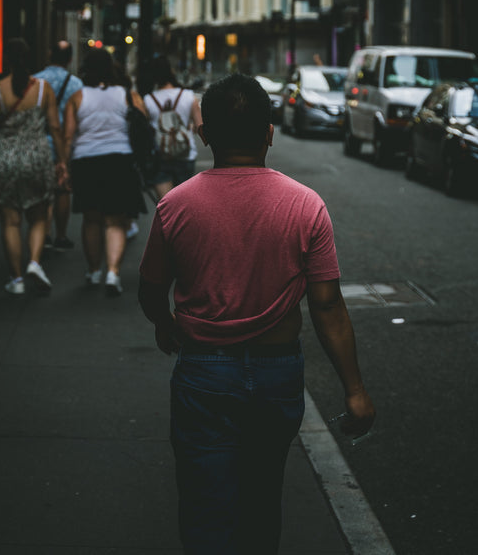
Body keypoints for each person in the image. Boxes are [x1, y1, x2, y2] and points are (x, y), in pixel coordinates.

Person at [138, 73, 375, 555]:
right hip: (276, 371)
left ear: (204, 135)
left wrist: (165, 325)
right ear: (270, 132)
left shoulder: (175, 206)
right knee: (262, 498)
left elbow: (150, 289)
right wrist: (355, 391)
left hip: (203, 370)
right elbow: (327, 304)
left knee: (205, 503)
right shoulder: (306, 205)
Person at [0, 38, 68, 295]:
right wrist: (61, 160)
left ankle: (16, 278)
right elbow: (55, 127)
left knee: (10, 221)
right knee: (38, 216)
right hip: (36, 155)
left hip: (4, 157)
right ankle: (34, 262)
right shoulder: (43, 89)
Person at [63, 48, 148, 296]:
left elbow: (68, 135)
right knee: (115, 220)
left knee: (91, 219)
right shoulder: (127, 95)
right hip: (119, 161)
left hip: (85, 161)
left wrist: (63, 166)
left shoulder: (77, 97)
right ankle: (113, 272)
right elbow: (143, 127)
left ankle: (93, 271)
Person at [34, 40, 84, 251]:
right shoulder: (76, 85)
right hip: (64, 143)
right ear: (71, 59)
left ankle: (43, 234)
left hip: (39, 141)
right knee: (62, 189)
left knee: (41, 191)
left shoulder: (35, 80)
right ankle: (61, 236)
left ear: (49, 54)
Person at [143, 55, 202, 200]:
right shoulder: (189, 96)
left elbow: (145, 131)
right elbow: (200, 127)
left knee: (166, 207)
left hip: (160, 156)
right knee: (183, 205)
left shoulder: (148, 100)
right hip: (185, 155)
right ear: (171, 72)